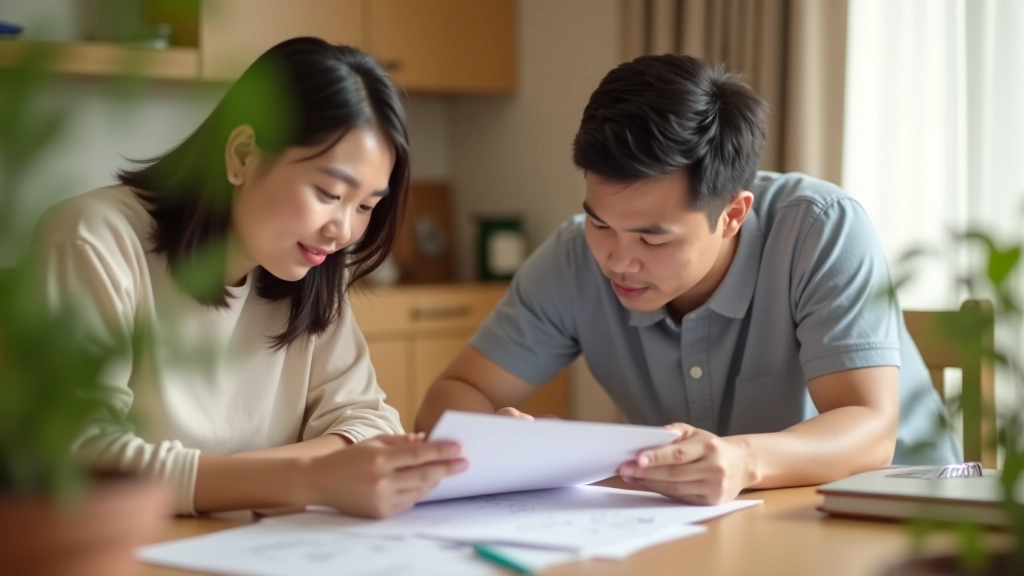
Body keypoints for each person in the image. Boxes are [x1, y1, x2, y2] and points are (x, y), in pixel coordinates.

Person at [415, 54, 960, 505]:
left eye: (653, 239)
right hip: (719, 525)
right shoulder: (573, 255)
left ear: (733, 215)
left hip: (894, 516)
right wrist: (498, 441)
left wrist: (742, 459)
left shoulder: (820, 227)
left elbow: (869, 429)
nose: (618, 259)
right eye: (601, 222)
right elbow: (456, 392)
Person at [31, 38, 465, 519]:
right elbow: (83, 454)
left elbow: (369, 420)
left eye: (365, 206)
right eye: (328, 192)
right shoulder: (93, 238)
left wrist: (252, 482)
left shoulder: (309, 264)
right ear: (241, 154)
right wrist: (306, 479)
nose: (343, 230)